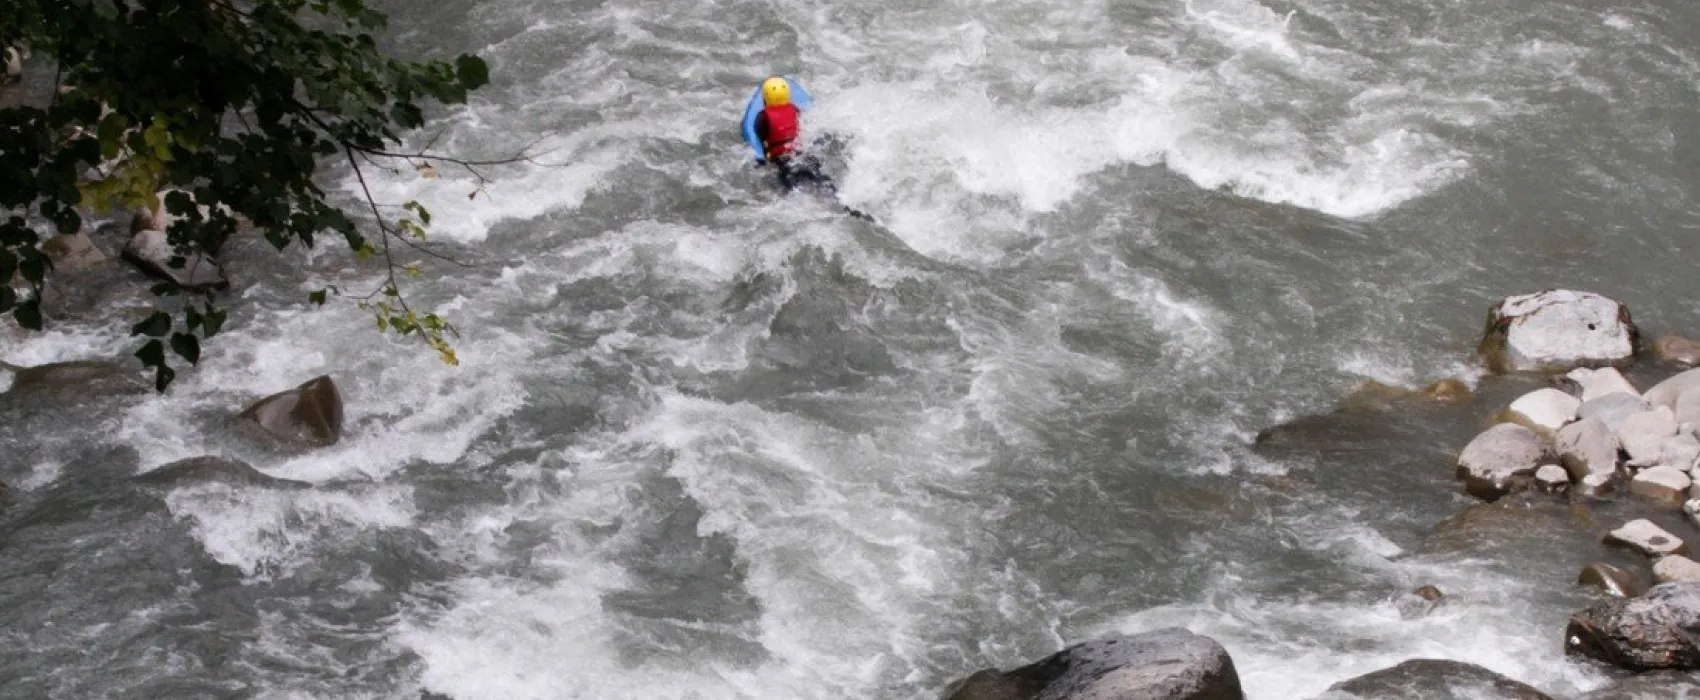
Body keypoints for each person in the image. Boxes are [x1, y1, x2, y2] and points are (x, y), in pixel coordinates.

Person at [742, 75, 834, 194]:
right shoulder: (794, 109)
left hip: (783, 161)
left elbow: (761, 138)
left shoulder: (763, 117)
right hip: (802, 155)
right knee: (822, 180)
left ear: (766, 98)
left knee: (792, 190)